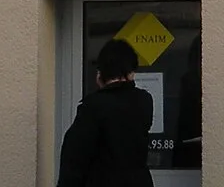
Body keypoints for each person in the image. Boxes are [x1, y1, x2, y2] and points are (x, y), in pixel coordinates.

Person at [58, 38, 155, 187]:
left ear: (100, 73)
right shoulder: (144, 101)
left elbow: (74, 159)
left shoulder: (93, 107)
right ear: (131, 73)